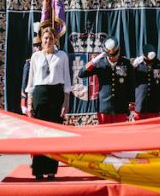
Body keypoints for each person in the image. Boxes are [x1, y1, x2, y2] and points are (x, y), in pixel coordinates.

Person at [27, 26, 71, 179]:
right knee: (40, 134)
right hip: (40, 94)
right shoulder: (36, 57)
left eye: (51, 38)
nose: (48, 41)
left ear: (55, 40)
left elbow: (67, 81)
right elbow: (31, 81)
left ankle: (52, 169)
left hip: (56, 94)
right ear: (41, 39)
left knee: (54, 133)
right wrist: (29, 102)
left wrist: (65, 103)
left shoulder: (62, 56)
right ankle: (38, 170)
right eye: (45, 38)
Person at [77, 36, 134, 124]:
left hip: (121, 107)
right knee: (105, 135)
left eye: (115, 54)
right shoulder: (100, 63)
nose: (113, 57)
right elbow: (81, 74)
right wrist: (93, 61)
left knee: (120, 135)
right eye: (110, 55)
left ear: (118, 50)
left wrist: (132, 106)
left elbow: (131, 84)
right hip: (104, 108)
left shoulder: (126, 63)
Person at [132, 44, 160, 120]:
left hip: (155, 104)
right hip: (139, 103)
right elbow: (129, 82)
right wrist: (132, 67)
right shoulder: (136, 65)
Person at [20, 34, 42, 115]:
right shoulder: (29, 62)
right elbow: (25, 80)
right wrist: (24, 96)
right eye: (36, 46)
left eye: (39, 45)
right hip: (31, 92)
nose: (38, 48)